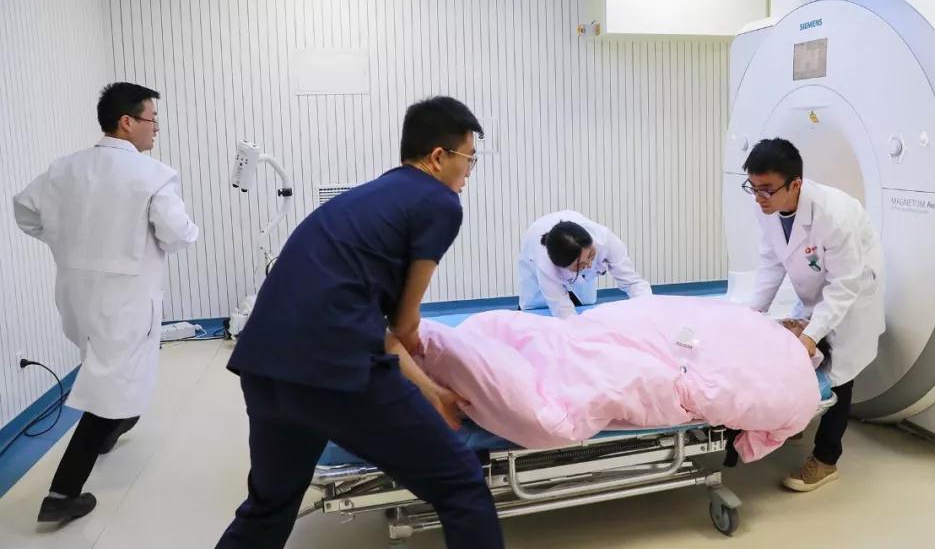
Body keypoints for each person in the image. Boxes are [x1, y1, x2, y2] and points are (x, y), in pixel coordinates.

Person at [216, 96, 503, 549]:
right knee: (463, 486)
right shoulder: (440, 202)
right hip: (334, 370)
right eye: (469, 158)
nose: (469, 170)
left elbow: (374, 327)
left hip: (265, 365)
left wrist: (432, 394)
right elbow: (404, 325)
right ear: (438, 157)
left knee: (269, 506)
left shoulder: (371, 196)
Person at [13, 82, 199, 523]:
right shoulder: (153, 175)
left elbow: (25, 211)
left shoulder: (65, 169)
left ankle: (113, 428)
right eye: (152, 119)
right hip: (125, 302)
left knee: (107, 373)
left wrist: (65, 243)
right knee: (109, 388)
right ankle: (61, 495)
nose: (156, 129)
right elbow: (178, 234)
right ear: (127, 122)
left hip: (76, 297)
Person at [740, 138, 885, 492]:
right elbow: (771, 262)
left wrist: (810, 334)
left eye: (767, 189)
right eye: (753, 188)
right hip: (815, 292)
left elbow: (844, 284)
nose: (759, 198)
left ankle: (825, 460)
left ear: (795, 184)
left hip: (851, 297)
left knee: (838, 376)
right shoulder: (768, 209)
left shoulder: (834, 215)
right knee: (798, 359)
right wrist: (750, 314)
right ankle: (797, 420)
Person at [518, 210, 652, 319]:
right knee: (539, 315)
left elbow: (633, 283)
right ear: (562, 266)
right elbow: (563, 312)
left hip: (571, 247)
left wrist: (649, 311)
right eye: (580, 265)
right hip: (535, 271)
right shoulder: (545, 263)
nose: (589, 265)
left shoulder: (605, 240)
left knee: (586, 305)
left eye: (591, 255)